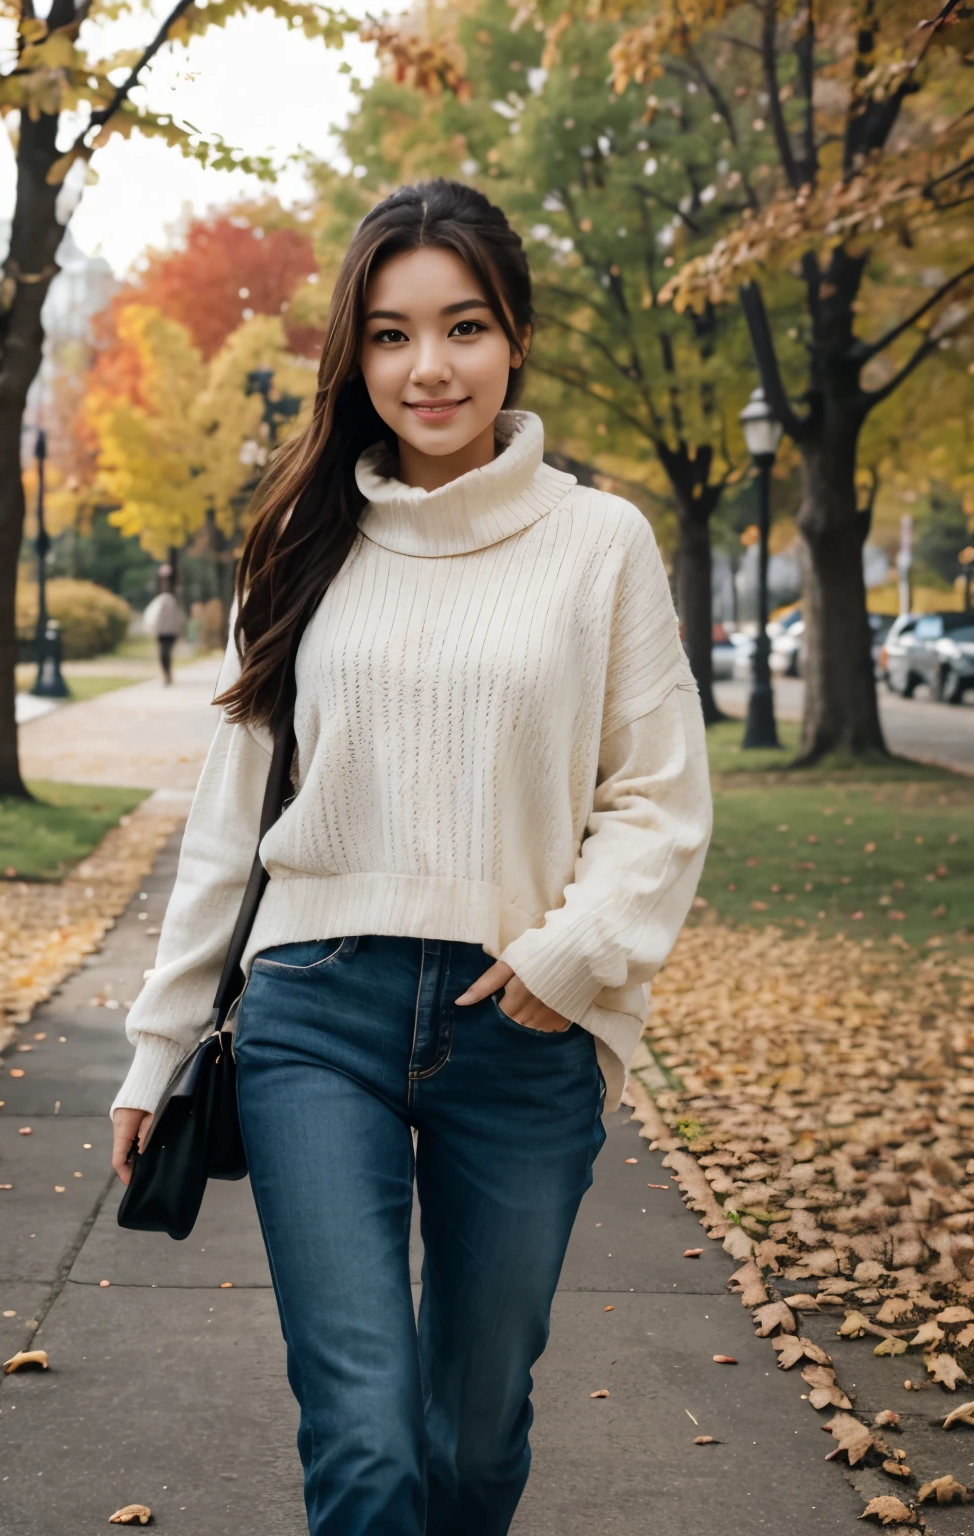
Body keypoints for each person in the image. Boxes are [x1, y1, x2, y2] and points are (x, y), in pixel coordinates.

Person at [110, 179, 712, 1535]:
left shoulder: (599, 544)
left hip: (524, 1021)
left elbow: (660, 797)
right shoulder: (301, 543)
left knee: (471, 1439)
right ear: (353, 354)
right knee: (368, 1448)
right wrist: (159, 1045)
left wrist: (572, 957)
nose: (427, 368)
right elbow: (231, 815)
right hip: (314, 1015)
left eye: (462, 328)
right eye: (388, 335)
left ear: (515, 341)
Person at [141, 566, 186, 685]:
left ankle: (167, 673)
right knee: (163, 652)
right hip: (161, 627)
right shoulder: (159, 593)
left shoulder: (175, 593)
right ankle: (166, 674)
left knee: (167, 652)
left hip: (171, 627)